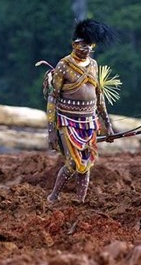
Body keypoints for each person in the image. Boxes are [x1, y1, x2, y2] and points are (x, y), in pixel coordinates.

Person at [46, 19, 117, 204]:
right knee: (72, 164)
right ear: (74, 44)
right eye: (82, 44)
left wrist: (108, 126)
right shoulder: (63, 65)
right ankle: (53, 197)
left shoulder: (93, 65)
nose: (86, 48)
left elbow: (99, 97)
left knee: (86, 166)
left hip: (90, 122)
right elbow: (53, 98)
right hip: (67, 121)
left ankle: (80, 201)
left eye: (89, 45)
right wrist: (51, 131)